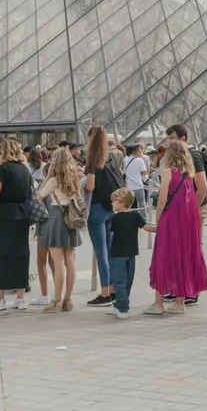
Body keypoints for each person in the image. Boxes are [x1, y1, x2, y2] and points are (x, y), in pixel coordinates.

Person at [145, 141, 207, 315]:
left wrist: (158, 220)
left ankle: (158, 303)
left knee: (163, 257)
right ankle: (179, 303)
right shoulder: (188, 173)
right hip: (186, 221)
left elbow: (162, 199)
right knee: (182, 258)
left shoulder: (167, 172)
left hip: (170, 220)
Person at [0, 138, 33, 311]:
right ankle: (20, 297)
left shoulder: (3, 169)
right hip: (22, 214)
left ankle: (0, 298)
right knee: (20, 255)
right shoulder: (24, 169)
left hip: (4, 214)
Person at [37, 147, 83, 312]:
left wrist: (48, 176)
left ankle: (56, 300)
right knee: (70, 261)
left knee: (58, 263)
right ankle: (68, 299)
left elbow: (39, 196)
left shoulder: (53, 180)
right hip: (71, 217)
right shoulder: (75, 178)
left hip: (56, 217)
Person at [84, 125, 118, 307]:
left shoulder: (92, 160)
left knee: (101, 252)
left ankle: (105, 292)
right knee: (111, 251)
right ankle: (113, 289)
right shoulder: (110, 157)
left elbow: (90, 186)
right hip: (110, 207)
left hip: (97, 209)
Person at [106, 188, 153, 318]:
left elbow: (110, 232)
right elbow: (146, 227)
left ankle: (122, 308)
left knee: (118, 281)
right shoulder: (135, 216)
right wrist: (160, 229)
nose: (111, 204)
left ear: (120, 202)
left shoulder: (114, 218)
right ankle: (121, 304)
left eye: (113, 201)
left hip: (117, 253)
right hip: (131, 253)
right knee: (128, 281)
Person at [123, 143, 149, 212]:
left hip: (128, 186)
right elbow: (144, 172)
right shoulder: (140, 160)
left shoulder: (125, 160)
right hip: (138, 185)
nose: (141, 154)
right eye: (141, 152)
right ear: (137, 152)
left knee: (130, 204)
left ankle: (131, 218)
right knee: (141, 204)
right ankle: (144, 219)